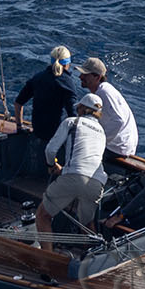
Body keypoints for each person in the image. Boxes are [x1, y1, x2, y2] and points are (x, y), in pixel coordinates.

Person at [36, 93, 109, 250]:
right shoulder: (102, 132)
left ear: (83, 109)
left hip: (73, 179)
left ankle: (47, 260)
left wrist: (51, 165)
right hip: (96, 184)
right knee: (87, 224)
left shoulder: (72, 122)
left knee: (43, 216)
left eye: (79, 108)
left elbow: (50, 150)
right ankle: (91, 260)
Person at [14, 46, 80, 144]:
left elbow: (18, 103)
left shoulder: (38, 77)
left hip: (38, 132)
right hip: (57, 135)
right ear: (68, 63)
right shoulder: (68, 83)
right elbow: (73, 115)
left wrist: (19, 127)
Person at [76, 56, 137, 157]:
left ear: (98, 77)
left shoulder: (104, 92)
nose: (80, 77)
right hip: (115, 145)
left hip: (117, 149)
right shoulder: (100, 92)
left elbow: (119, 121)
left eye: (85, 75)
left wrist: (100, 141)